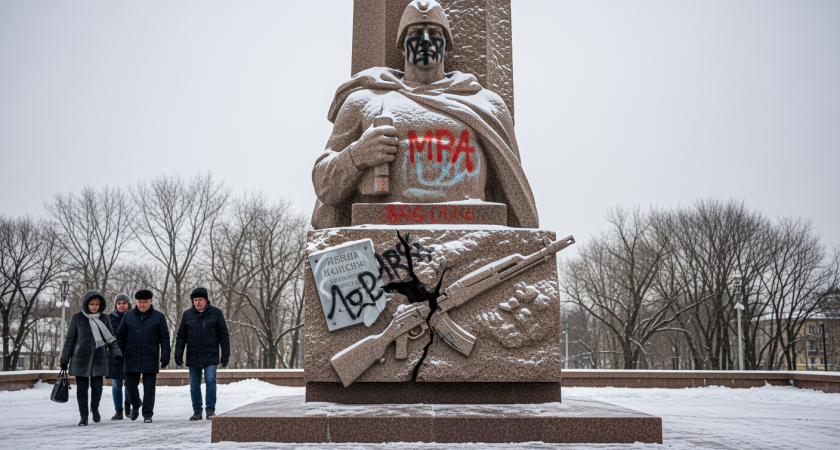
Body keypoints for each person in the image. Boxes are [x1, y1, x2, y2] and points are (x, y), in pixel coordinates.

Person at [310, 0, 539, 230]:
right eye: (416, 33)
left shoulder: (487, 104)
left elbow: (514, 191)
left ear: (446, 45)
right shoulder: (364, 101)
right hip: (386, 236)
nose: (426, 40)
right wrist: (356, 155)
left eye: (436, 33)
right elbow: (323, 185)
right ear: (402, 45)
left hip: (474, 228)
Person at [59, 290, 123, 426]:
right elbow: (70, 340)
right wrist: (64, 359)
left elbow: (111, 338)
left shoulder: (105, 318)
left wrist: (117, 354)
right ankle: (83, 416)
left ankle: (94, 408)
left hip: (99, 358)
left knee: (97, 388)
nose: (94, 306)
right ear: (86, 304)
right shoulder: (77, 318)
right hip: (80, 359)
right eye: (92, 304)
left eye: (97, 304)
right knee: (82, 389)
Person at [174, 287, 231, 421]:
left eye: (200, 300)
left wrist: (225, 355)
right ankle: (197, 411)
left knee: (210, 380)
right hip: (193, 355)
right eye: (195, 300)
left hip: (211, 354)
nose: (198, 302)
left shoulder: (216, 313)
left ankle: (210, 410)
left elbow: (223, 335)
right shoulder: (187, 315)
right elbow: (181, 336)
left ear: (206, 300)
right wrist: (178, 354)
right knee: (194, 384)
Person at [116, 289, 170, 423]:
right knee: (130, 385)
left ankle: (147, 414)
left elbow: (164, 338)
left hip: (150, 357)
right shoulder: (128, 316)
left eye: (145, 302)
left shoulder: (159, 317)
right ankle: (136, 404)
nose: (142, 305)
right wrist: (117, 353)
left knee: (149, 388)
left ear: (151, 301)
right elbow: (120, 336)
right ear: (136, 302)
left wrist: (165, 355)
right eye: (139, 302)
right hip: (131, 357)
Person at [106, 293, 139, 420]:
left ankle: (128, 407)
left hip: (130, 354)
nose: (121, 305)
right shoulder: (109, 319)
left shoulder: (134, 317)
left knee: (129, 383)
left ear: (128, 305)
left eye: (124, 303)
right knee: (116, 383)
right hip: (114, 355)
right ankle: (118, 410)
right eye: (119, 303)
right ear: (115, 305)